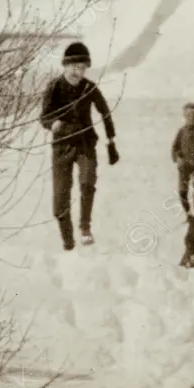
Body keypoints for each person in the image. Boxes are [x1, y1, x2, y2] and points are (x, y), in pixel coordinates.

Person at [40, 42, 118, 250]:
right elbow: (44, 116)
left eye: (82, 68)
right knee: (60, 200)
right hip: (62, 146)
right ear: (65, 66)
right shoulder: (54, 86)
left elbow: (105, 112)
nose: (78, 72)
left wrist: (111, 141)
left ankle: (85, 227)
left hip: (85, 144)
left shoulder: (88, 87)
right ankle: (68, 240)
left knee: (87, 182)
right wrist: (53, 124)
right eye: (74, 67)